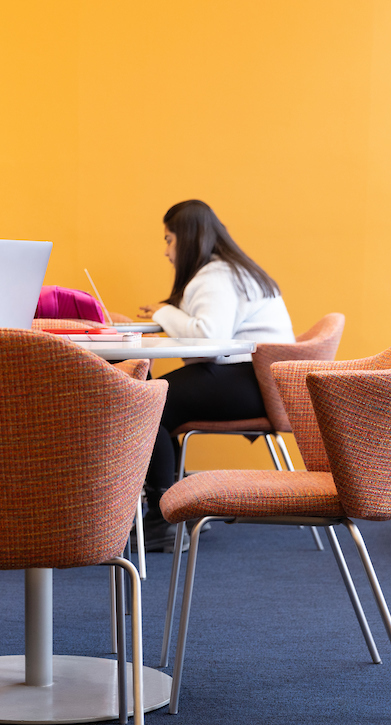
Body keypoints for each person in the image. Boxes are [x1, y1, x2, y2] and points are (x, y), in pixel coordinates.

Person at [136, 199, 294, 551]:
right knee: (153, 398)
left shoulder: (217, 276)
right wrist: (169, 314)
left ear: (188, 238)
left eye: (168, 240)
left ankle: (164, 519)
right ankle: (175, 507)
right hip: (256, 380)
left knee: (145, 403)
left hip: (249, 381)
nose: (166, 251)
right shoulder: (230, 271)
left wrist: (164, 313)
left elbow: (208, 340)